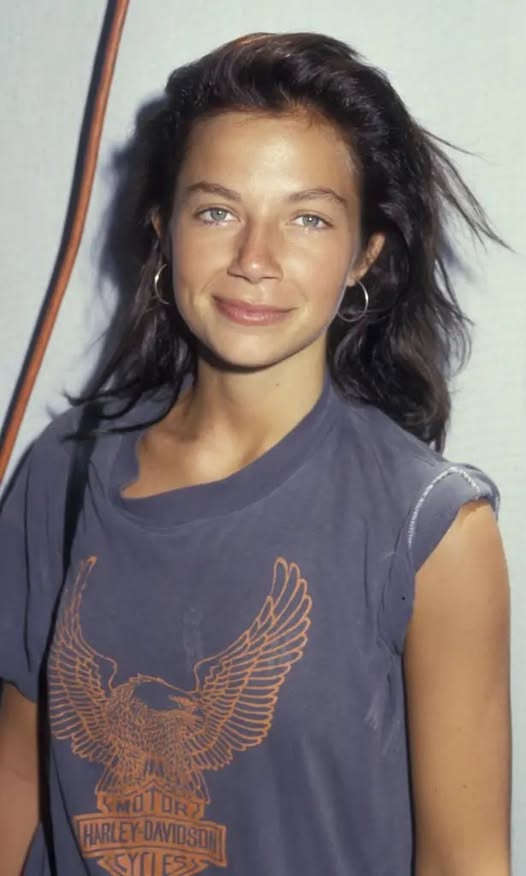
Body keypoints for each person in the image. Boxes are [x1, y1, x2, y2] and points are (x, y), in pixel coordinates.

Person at [0, 31, 511, 876]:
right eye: (217, 211)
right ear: (164, 229)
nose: (254, 260)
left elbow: (467, 861)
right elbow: (18, 769)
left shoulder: (434, 532)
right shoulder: (64, 472)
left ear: (365, 254)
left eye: (307, 218)